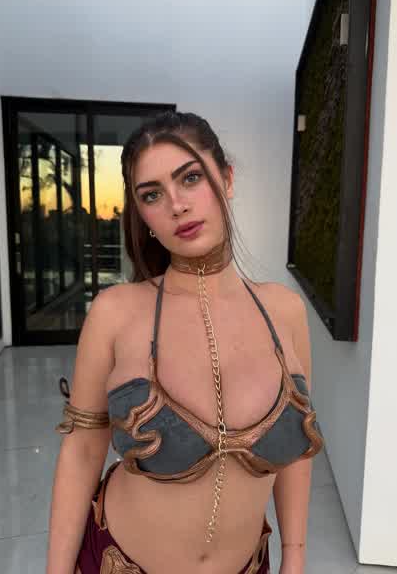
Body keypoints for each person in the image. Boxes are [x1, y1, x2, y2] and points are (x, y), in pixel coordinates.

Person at [46, 111, 324, 574]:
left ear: (227, 179)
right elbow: (82, 452)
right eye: (151, 194)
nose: (176, 205)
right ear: (143, 215)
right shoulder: (115, 313)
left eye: (190, 178)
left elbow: (298, 447)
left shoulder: (285, 311)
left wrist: (294, 556)